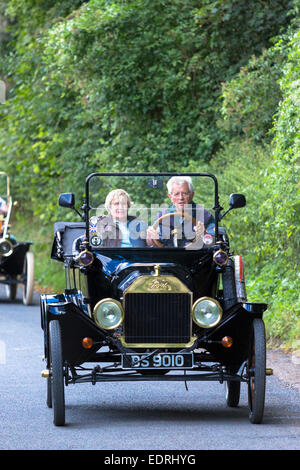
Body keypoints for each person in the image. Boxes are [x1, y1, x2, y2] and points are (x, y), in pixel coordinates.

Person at [146, 176, 215, 248]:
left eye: (185, 193)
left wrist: (204, 234)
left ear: (192, 195)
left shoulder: (205, 215)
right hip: (168, 256)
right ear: (170, 197)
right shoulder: (161, 216)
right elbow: (152, 244)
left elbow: (213, 243)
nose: (181, 198)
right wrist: (150, 237)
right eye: (176, 194)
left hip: (197, 256)